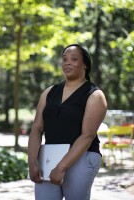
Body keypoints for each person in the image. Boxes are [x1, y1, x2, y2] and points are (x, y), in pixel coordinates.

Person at [28, 44, 107, 200]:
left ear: (85, 64)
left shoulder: (95, 95)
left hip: (82, 157)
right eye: (64, 59)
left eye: (74, 59)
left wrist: (61, 167)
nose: (67, 62)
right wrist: (32, 162)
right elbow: (37, 128)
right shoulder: (49, 92)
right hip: (50, 158)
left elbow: (87, 135)